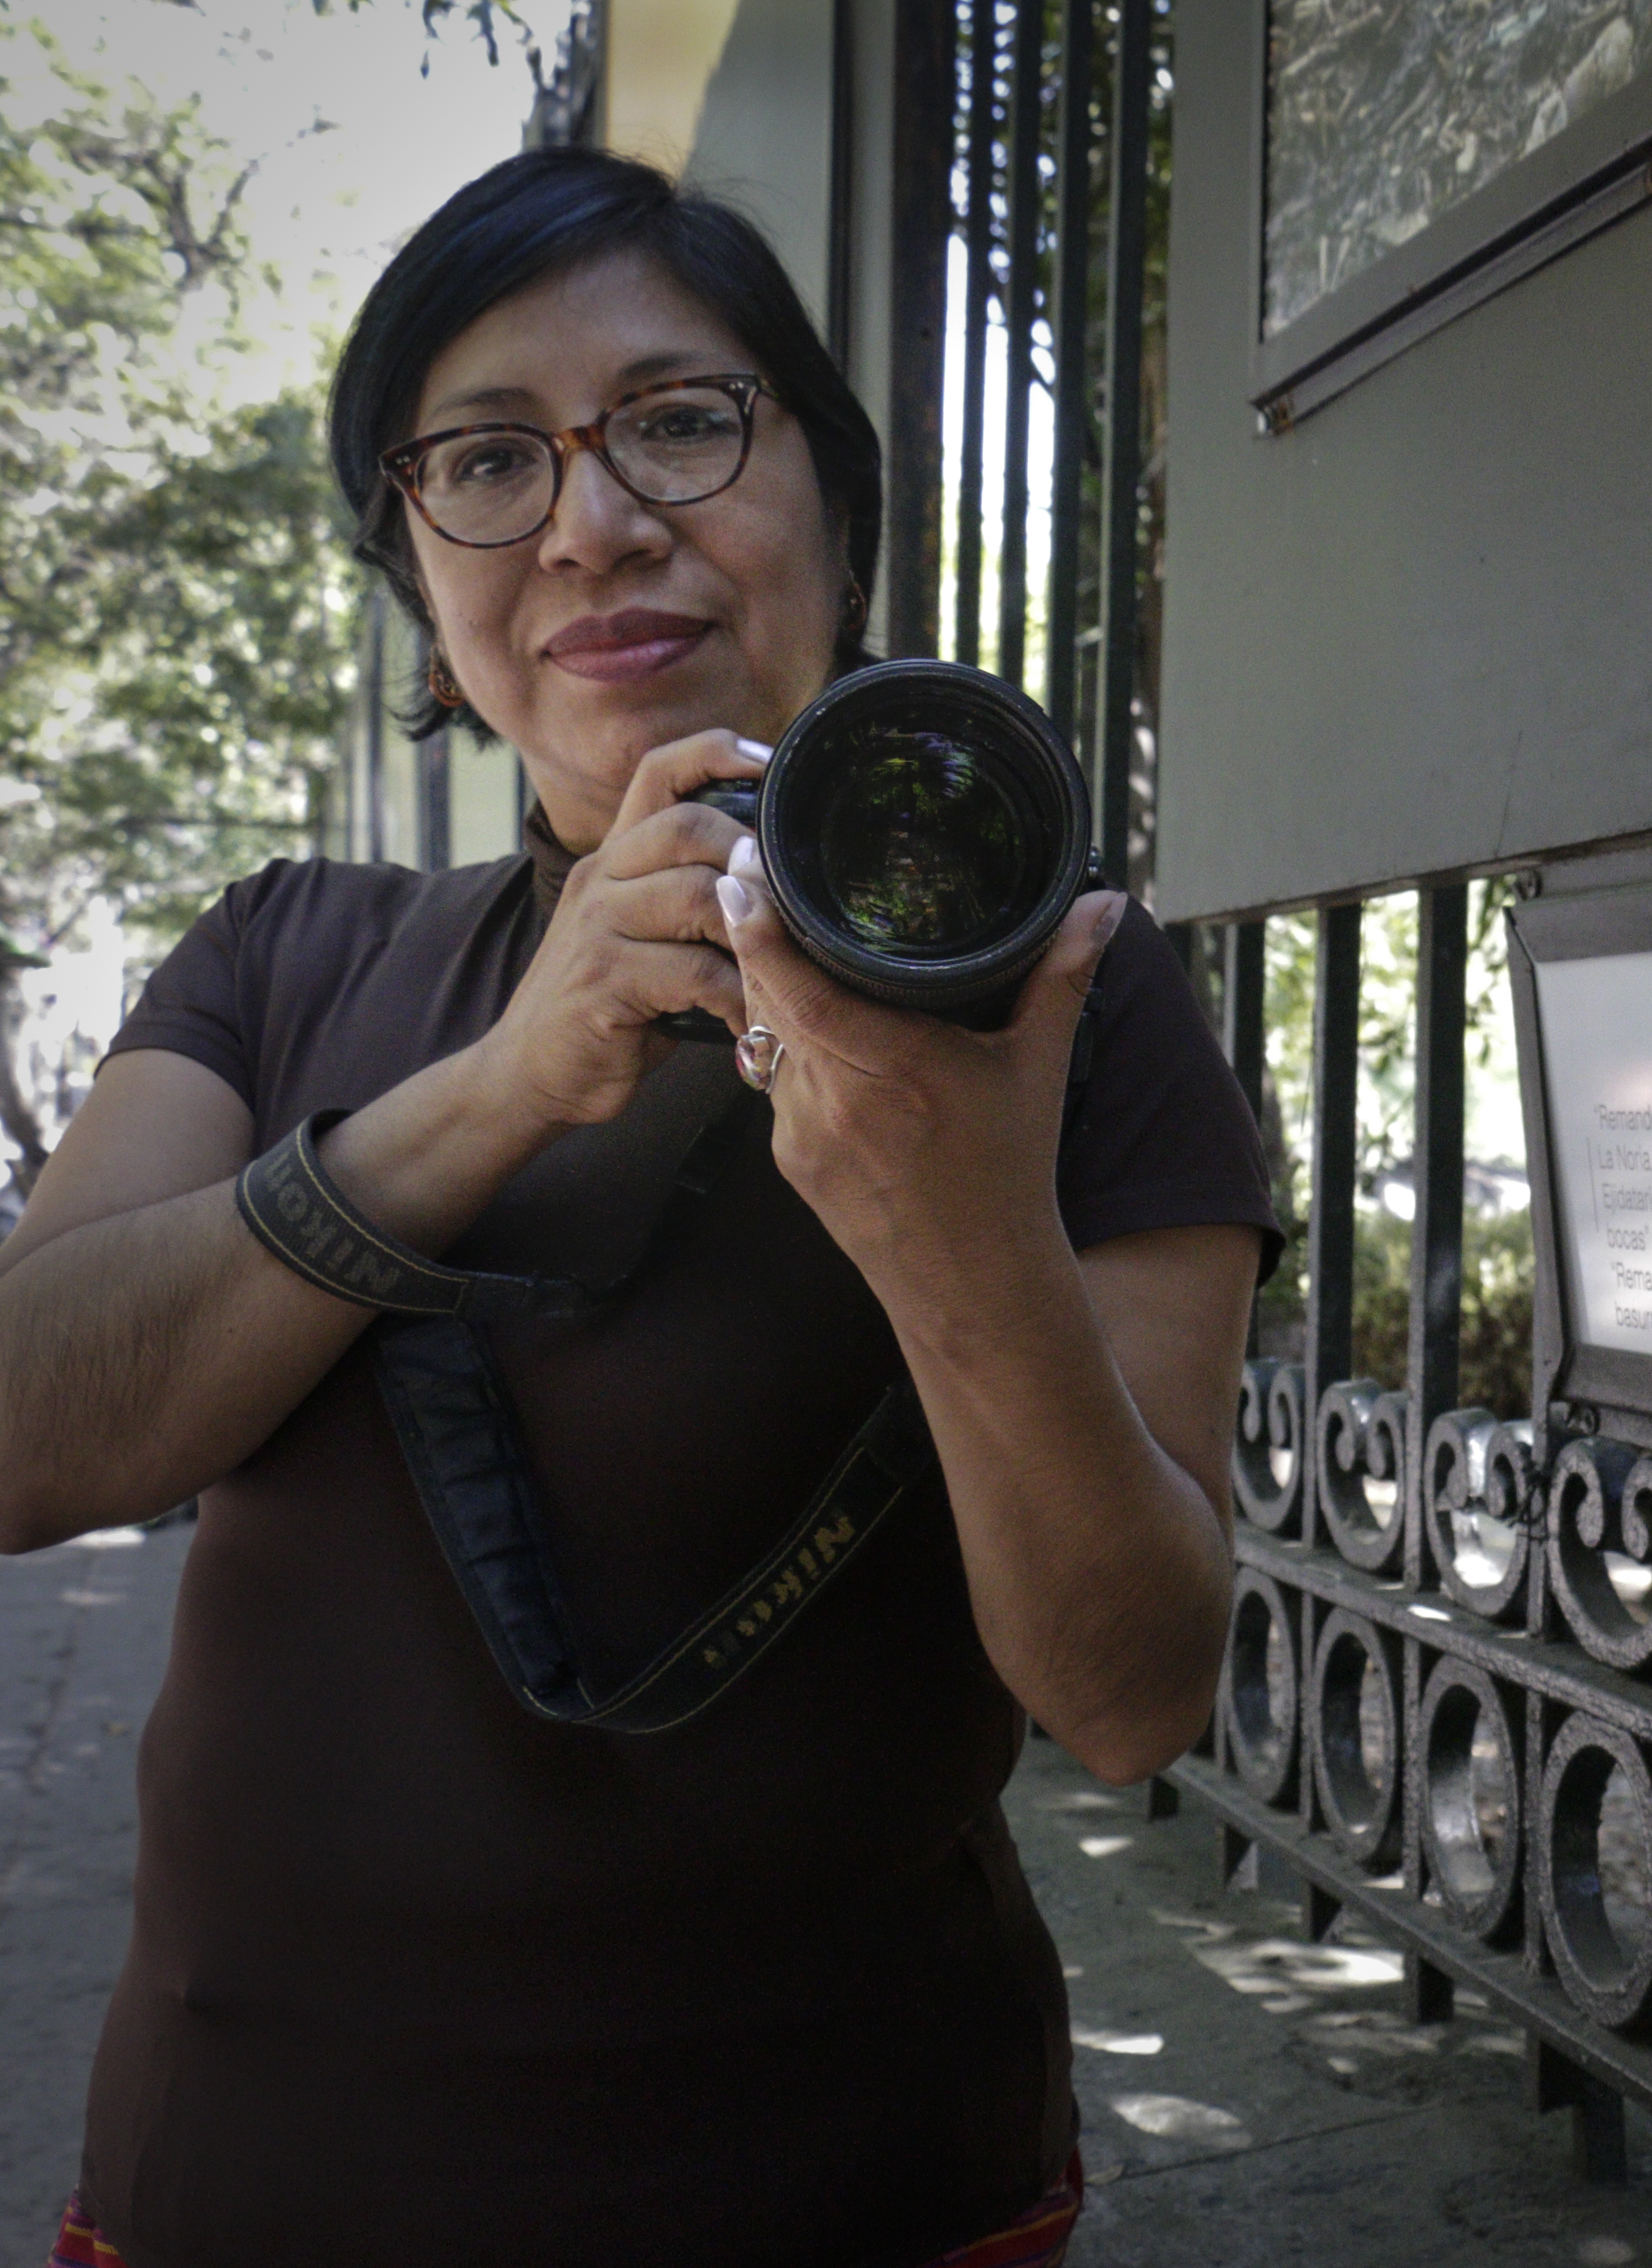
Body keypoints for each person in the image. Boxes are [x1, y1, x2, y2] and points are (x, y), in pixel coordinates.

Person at [0, 148, 1276, 2267]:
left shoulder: (1054, 984)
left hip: (862, 2192)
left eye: (684, 422)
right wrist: (503, 1088)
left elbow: (1135, 1693)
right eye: (489, 460)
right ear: (424, 577)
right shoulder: (286, 953)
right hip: (239, 2182)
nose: (596, 520)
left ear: (835, 509)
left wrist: (947, 1219)